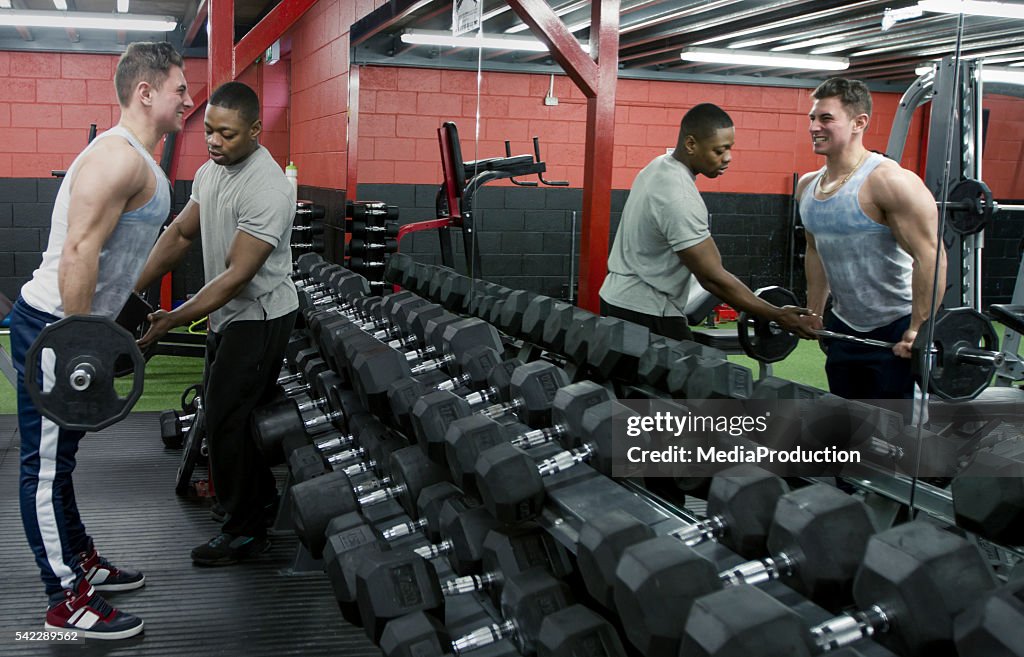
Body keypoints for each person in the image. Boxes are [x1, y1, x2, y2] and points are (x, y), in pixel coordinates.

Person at [9, 42, 192, 639]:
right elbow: (80, 253)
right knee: (43, 469)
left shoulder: (139, 157)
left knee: (62, 461)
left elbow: (115, 255)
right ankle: (64, 599)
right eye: (179, 88)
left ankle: (80, 557)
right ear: (146, 92)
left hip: (73, 328)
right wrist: (78, 345)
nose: (188, 98)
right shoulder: (117, 159)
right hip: (55, 329)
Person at [135, 81, 298, 567]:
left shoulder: (267, 187)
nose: (213, 141)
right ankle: (260, 498)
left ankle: (246, 531)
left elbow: (236, 277)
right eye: (208, 130)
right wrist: (131, 289)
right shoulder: (210, 173)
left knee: (226, 419)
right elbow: (181, 232)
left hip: (260, 316)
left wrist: (170, 322)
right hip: (229, 316)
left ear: (254, 130)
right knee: (227, 413)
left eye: (226, 134)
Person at [599, 103, 816, 342]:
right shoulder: (679, 196)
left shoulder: (659, 166)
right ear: (691, 144)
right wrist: (776, 314)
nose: (728, 158)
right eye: (719, 150)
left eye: (730, 148)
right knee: (694, 377)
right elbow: (712, 277)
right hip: (647, 312)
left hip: (616, 301)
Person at [797, 78, 945, 400]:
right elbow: (814, 250)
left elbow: (930, 255)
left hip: (896, 326)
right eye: (812, 117)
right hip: (844, 325)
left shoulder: (889, 181)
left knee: (898, 433)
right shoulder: (807, 187)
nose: (814, 127)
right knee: (850, 423)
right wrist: (815, 311)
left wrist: (919, 328)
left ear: (858, 123)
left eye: (826, 118)